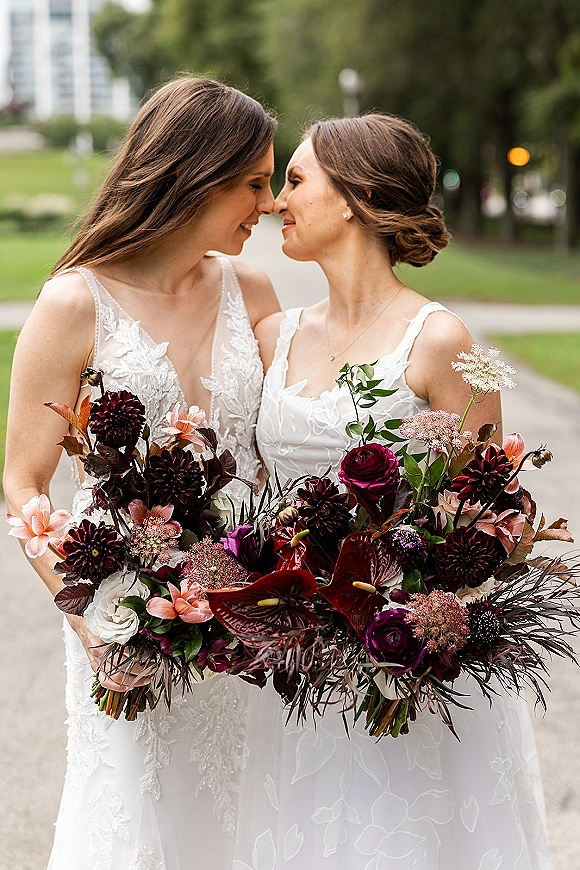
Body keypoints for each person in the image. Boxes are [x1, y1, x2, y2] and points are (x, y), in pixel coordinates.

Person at [248, 115, 553, 869]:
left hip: (405, 661)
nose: (274, 202)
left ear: (351, 200)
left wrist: (407, 611)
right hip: (301, 658)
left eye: (293, 180)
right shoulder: (273, 335)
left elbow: (485, 515)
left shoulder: (440, 341)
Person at [3, 76, 279, 869]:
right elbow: (23, 483)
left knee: (248, 804)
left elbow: (295, 425)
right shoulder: (72, 304)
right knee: (135, 806)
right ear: (196, 174)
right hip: (127, 607)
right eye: (254, 183)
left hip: (244, 597)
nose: (265, 204)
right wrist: (92, 616)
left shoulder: (250, 290)